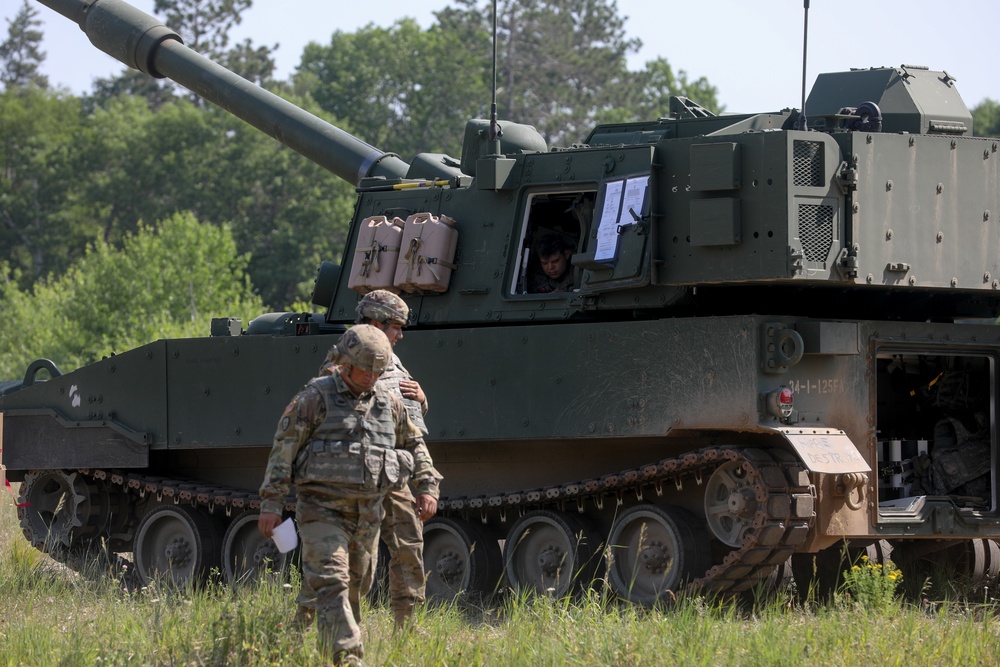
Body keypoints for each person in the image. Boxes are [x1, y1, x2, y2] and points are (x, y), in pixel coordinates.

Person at [257, 324, 440, 666]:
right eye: (365, 370)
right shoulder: (314, 398)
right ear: (345, 363)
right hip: (321, 511)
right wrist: (271, 504)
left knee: (357, 586)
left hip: (368, 514)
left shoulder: (388, 404)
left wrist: (427, 484)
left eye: (378, 372)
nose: (371, 378)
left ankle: (323, 650)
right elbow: (282, 452)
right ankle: (348, 657)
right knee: (332, 581)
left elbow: (414, 443)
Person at [306, 290, 434, 631]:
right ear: (376, 322)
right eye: (396, 326)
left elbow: (404, 412)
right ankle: (322, 624)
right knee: (346, 556)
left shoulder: (388, 356)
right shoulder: (345, 357)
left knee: (408, 543)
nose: (400, 334)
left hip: (393, 468)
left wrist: (422, 400)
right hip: (356, 473)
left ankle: (405, 625)